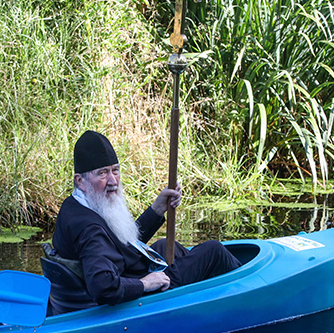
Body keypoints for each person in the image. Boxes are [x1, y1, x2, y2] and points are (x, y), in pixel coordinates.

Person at [51, 130, 241, 307]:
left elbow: (118, 245)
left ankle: (211, 296)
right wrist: (144, 284)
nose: (113, 181)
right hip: (137, 298)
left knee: (167, 246)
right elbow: (102, 286)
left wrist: (157, 209)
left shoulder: (75, 206)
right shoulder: (90, 228)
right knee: (213, 251)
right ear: (80, 180)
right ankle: (246, 292)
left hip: (123, 276)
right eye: (102, 173)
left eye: (115, 170)